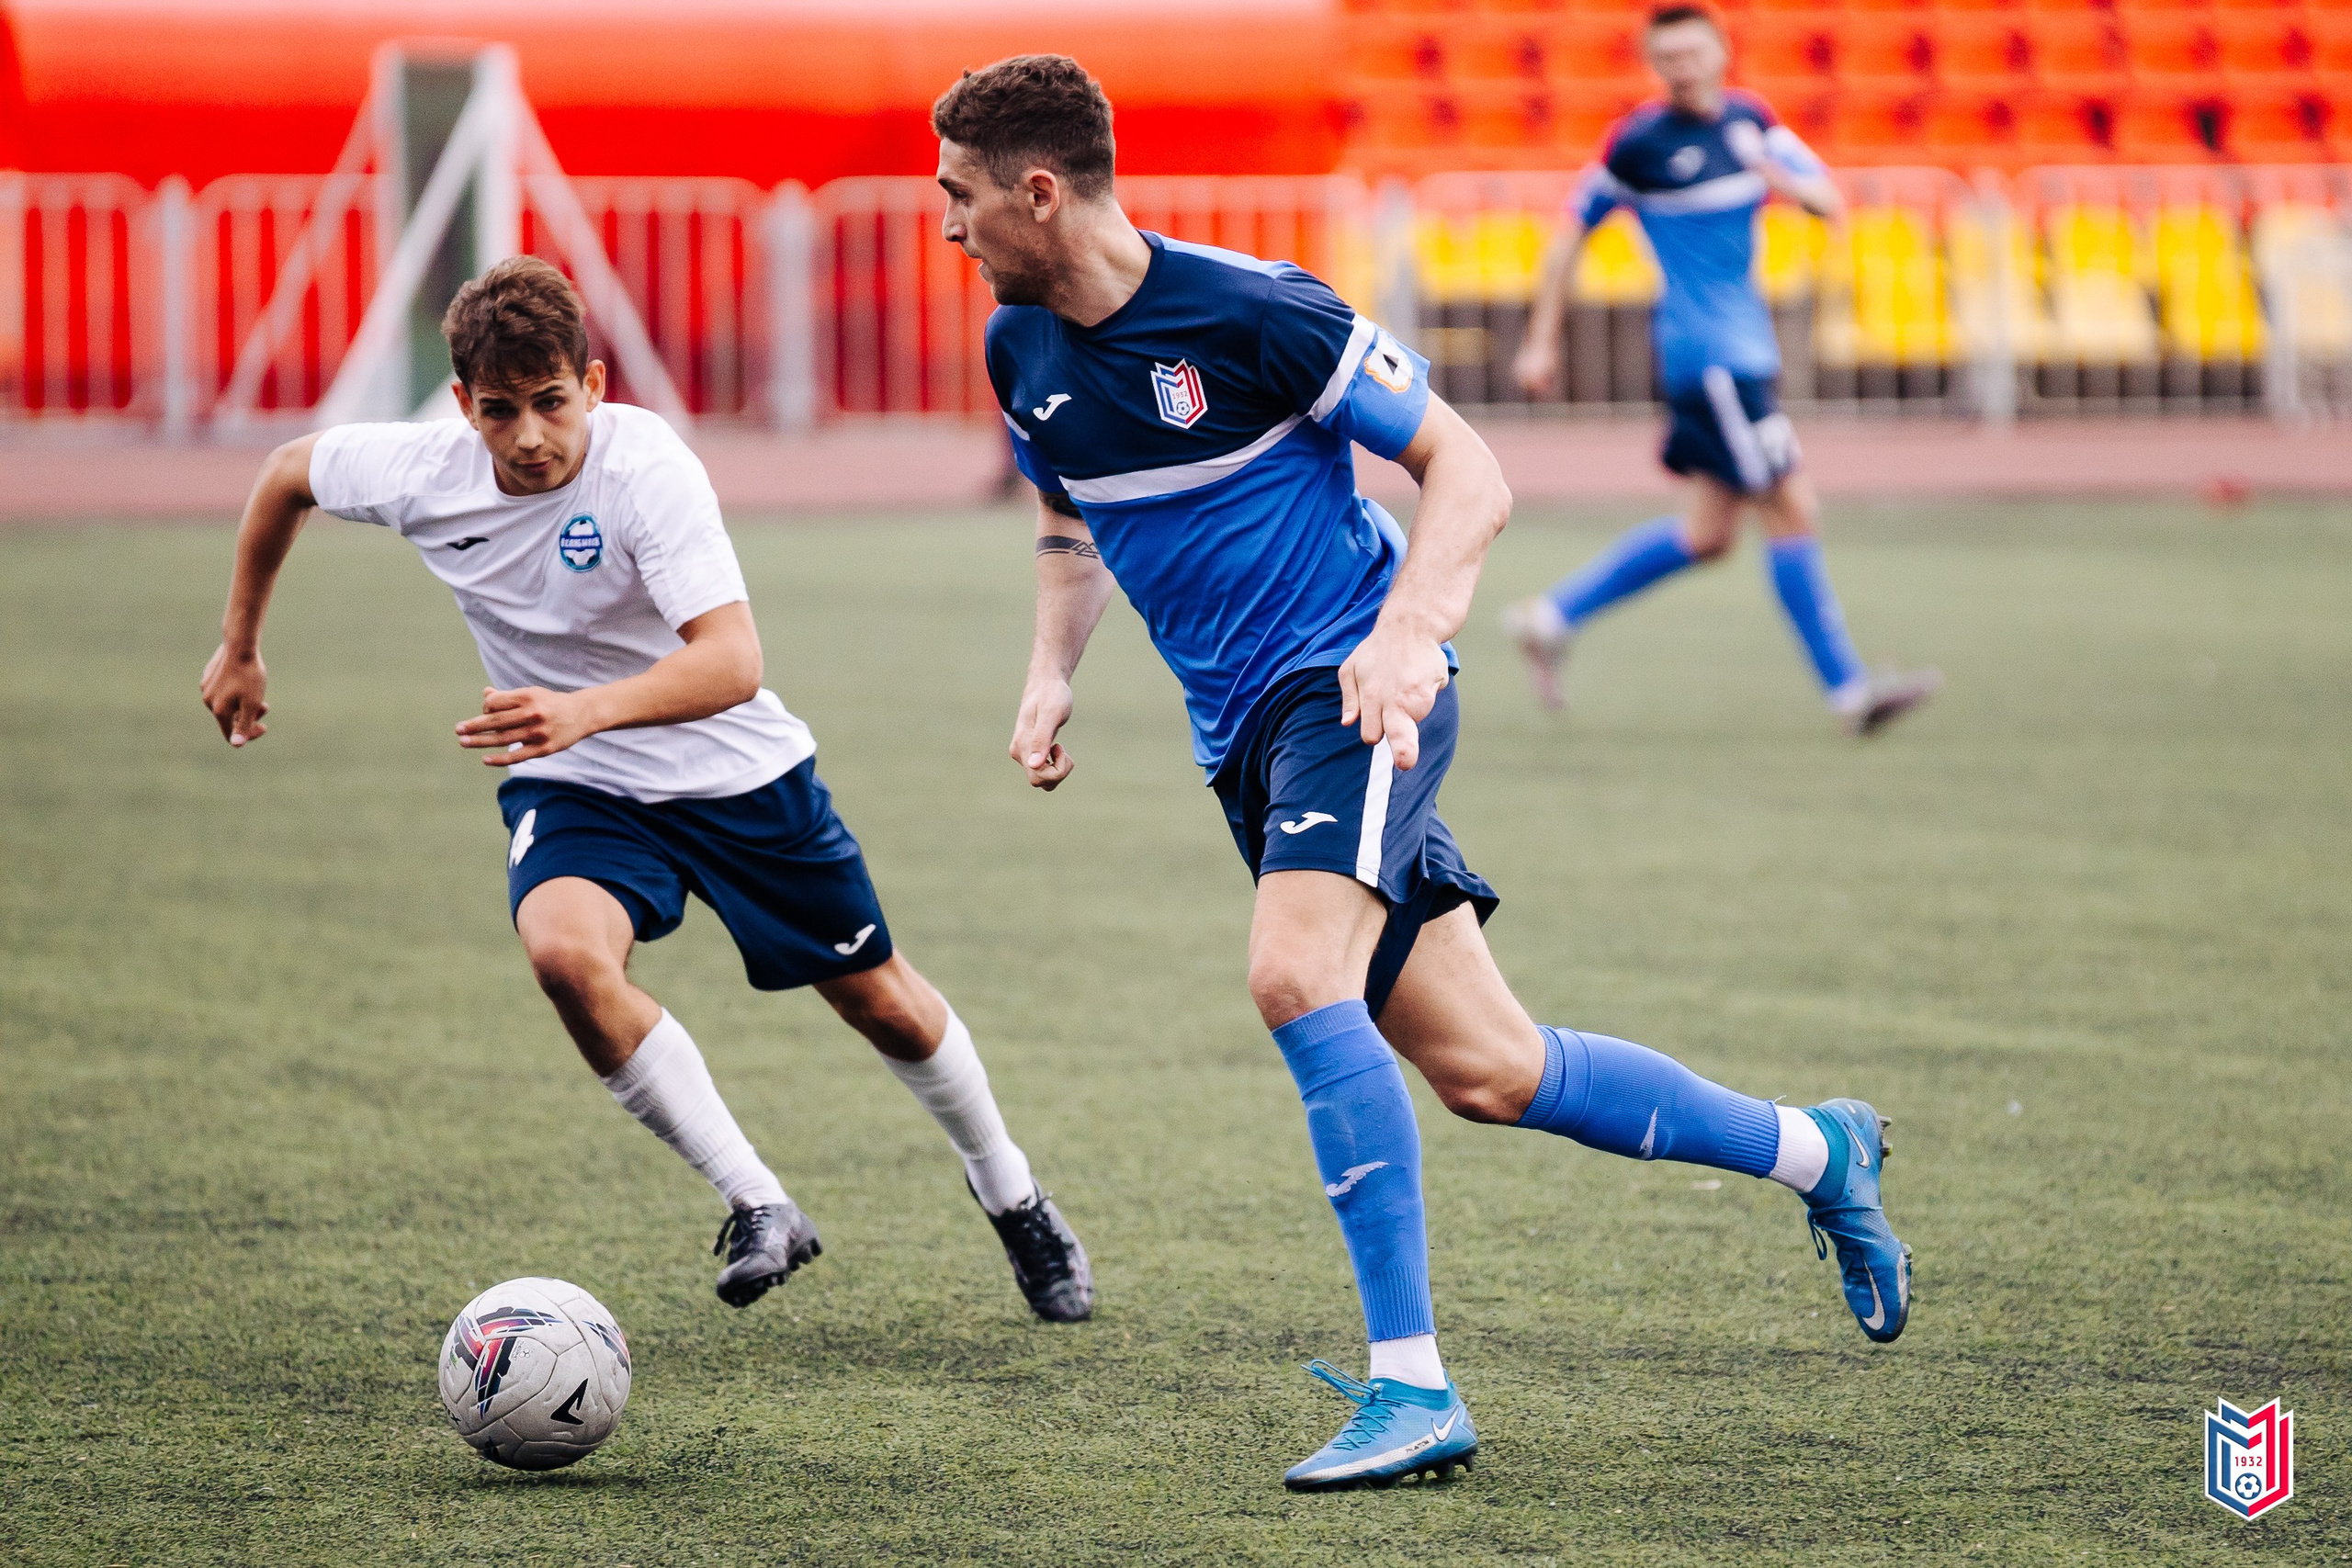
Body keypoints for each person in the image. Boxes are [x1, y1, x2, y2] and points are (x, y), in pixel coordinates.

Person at [933, 54, 1913, 1492]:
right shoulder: (1021, 353)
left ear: (1038, 191)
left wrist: (1405, 637)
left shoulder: (1258, 310)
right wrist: (1050, 669)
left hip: (1357, 693)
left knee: (1290, 974)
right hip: (1245, 742)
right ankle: (1818, 1150)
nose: (944, 223)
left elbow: (1470, 471)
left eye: (959, 194)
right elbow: (1071, 528)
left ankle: (1413, 1385)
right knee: (1491, 1069)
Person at [198, 256, 1091, 1323]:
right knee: (566, 960)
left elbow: (732, 663)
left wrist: (581, 708)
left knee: (878, 1000)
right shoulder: (419, 471)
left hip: (734, 772)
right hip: (576, 782)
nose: (528, 436)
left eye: (550, 403)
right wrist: (239, 645)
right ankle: (757, 1200)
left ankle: (1010, 1189)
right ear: (459, 407)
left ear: (595, 383)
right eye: (498, 412)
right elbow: (288, 474)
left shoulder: (644, 470)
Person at [1506, 5, 1939, 734]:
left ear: (1721, 52)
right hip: (1710, 359)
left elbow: (1828, 202)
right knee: (1792, 507)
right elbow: (1567, 236)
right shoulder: (1639, 143)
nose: (1683, 67)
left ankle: (1552, 616)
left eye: (1694, 52)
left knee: (1709, 534)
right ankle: (1849, 691)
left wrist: (1782, 179)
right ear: (1652, 63)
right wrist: (1540, 340)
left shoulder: (1752, 122)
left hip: (1741, 354)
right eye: (1667, 56)